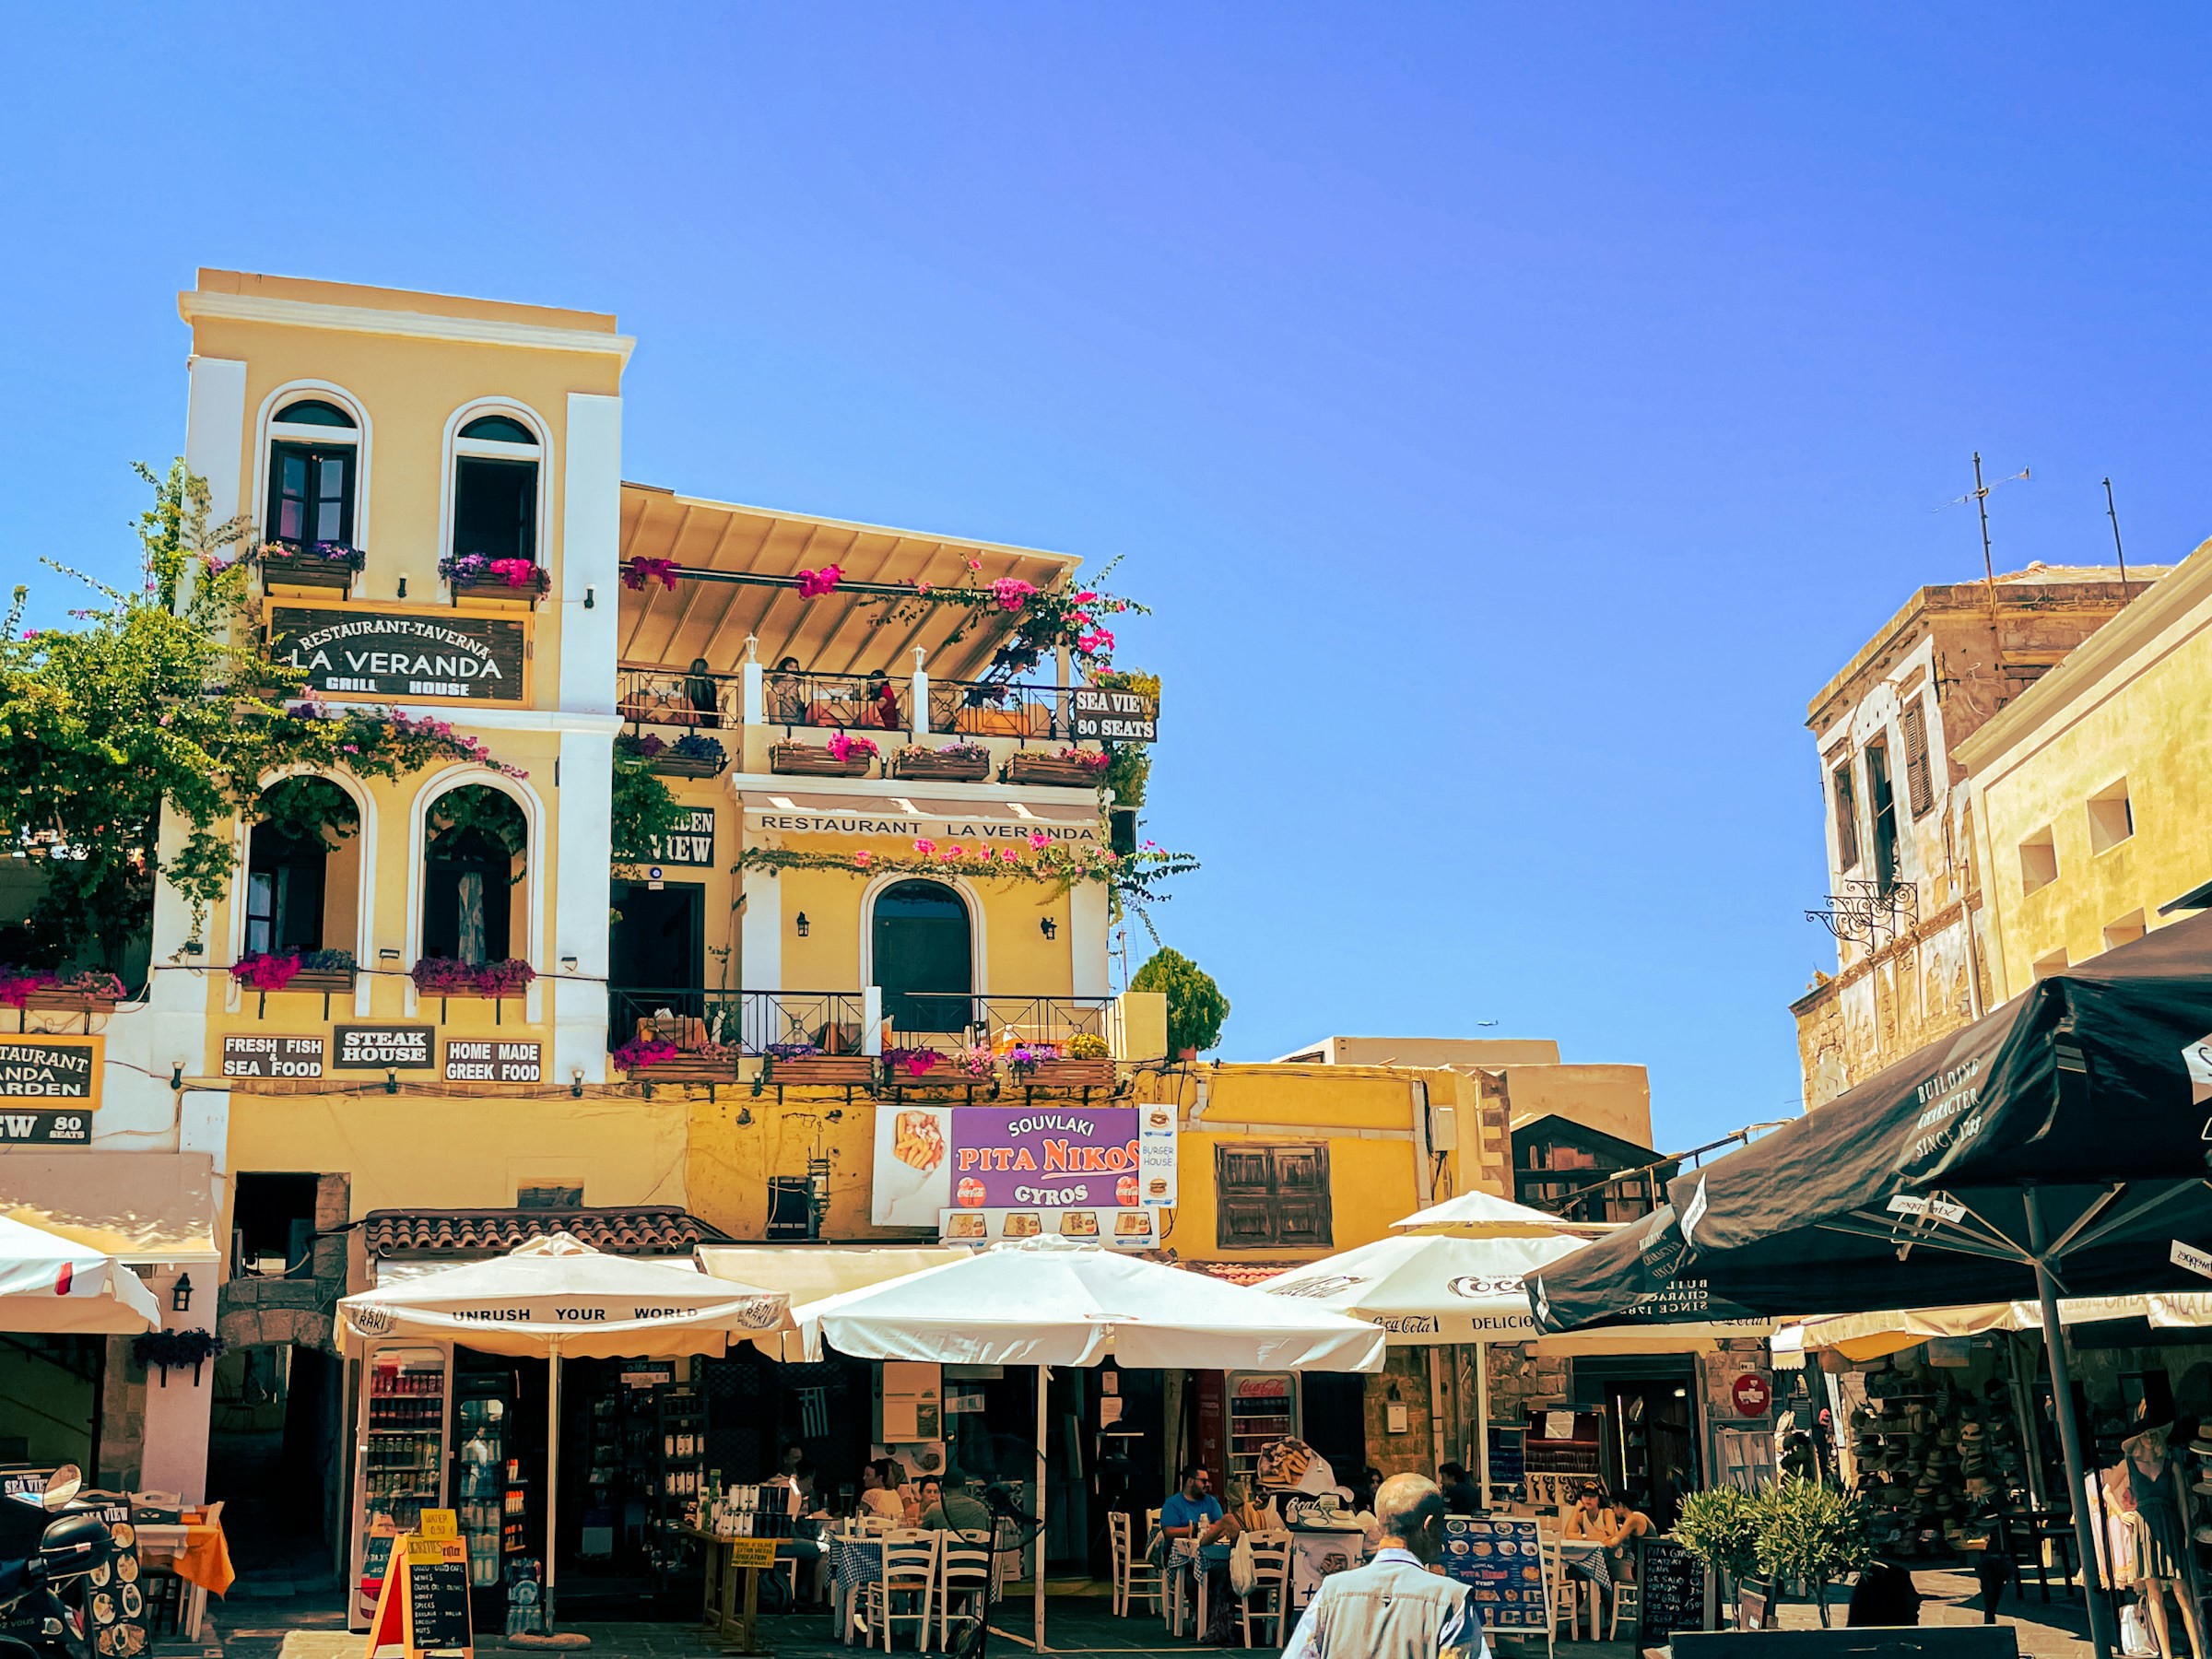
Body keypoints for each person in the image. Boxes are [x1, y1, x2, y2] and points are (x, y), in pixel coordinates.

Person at [1281, 1473, 1485, 1659]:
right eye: (1442, 1524)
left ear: (1381, 1525)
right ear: (1428, 1526)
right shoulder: (1452, 1600)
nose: (1444, 1534)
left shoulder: (1331, 1592)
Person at [919, 1475, 993, 1541]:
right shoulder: (981, 1508)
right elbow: (989, 1535)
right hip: (977, 1555)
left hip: (946, 1555)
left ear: (943, 1489)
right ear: (965, 1488)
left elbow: (922, 1536)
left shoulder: (935, 1509)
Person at [858, 1459, 904, 1523]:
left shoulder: (870, 1494)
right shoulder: (895, 1493)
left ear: (879, 1478)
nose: (864, 1478)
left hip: (874, 1532)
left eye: (868, 1475)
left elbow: (858, 1520)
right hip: (894, 1531)